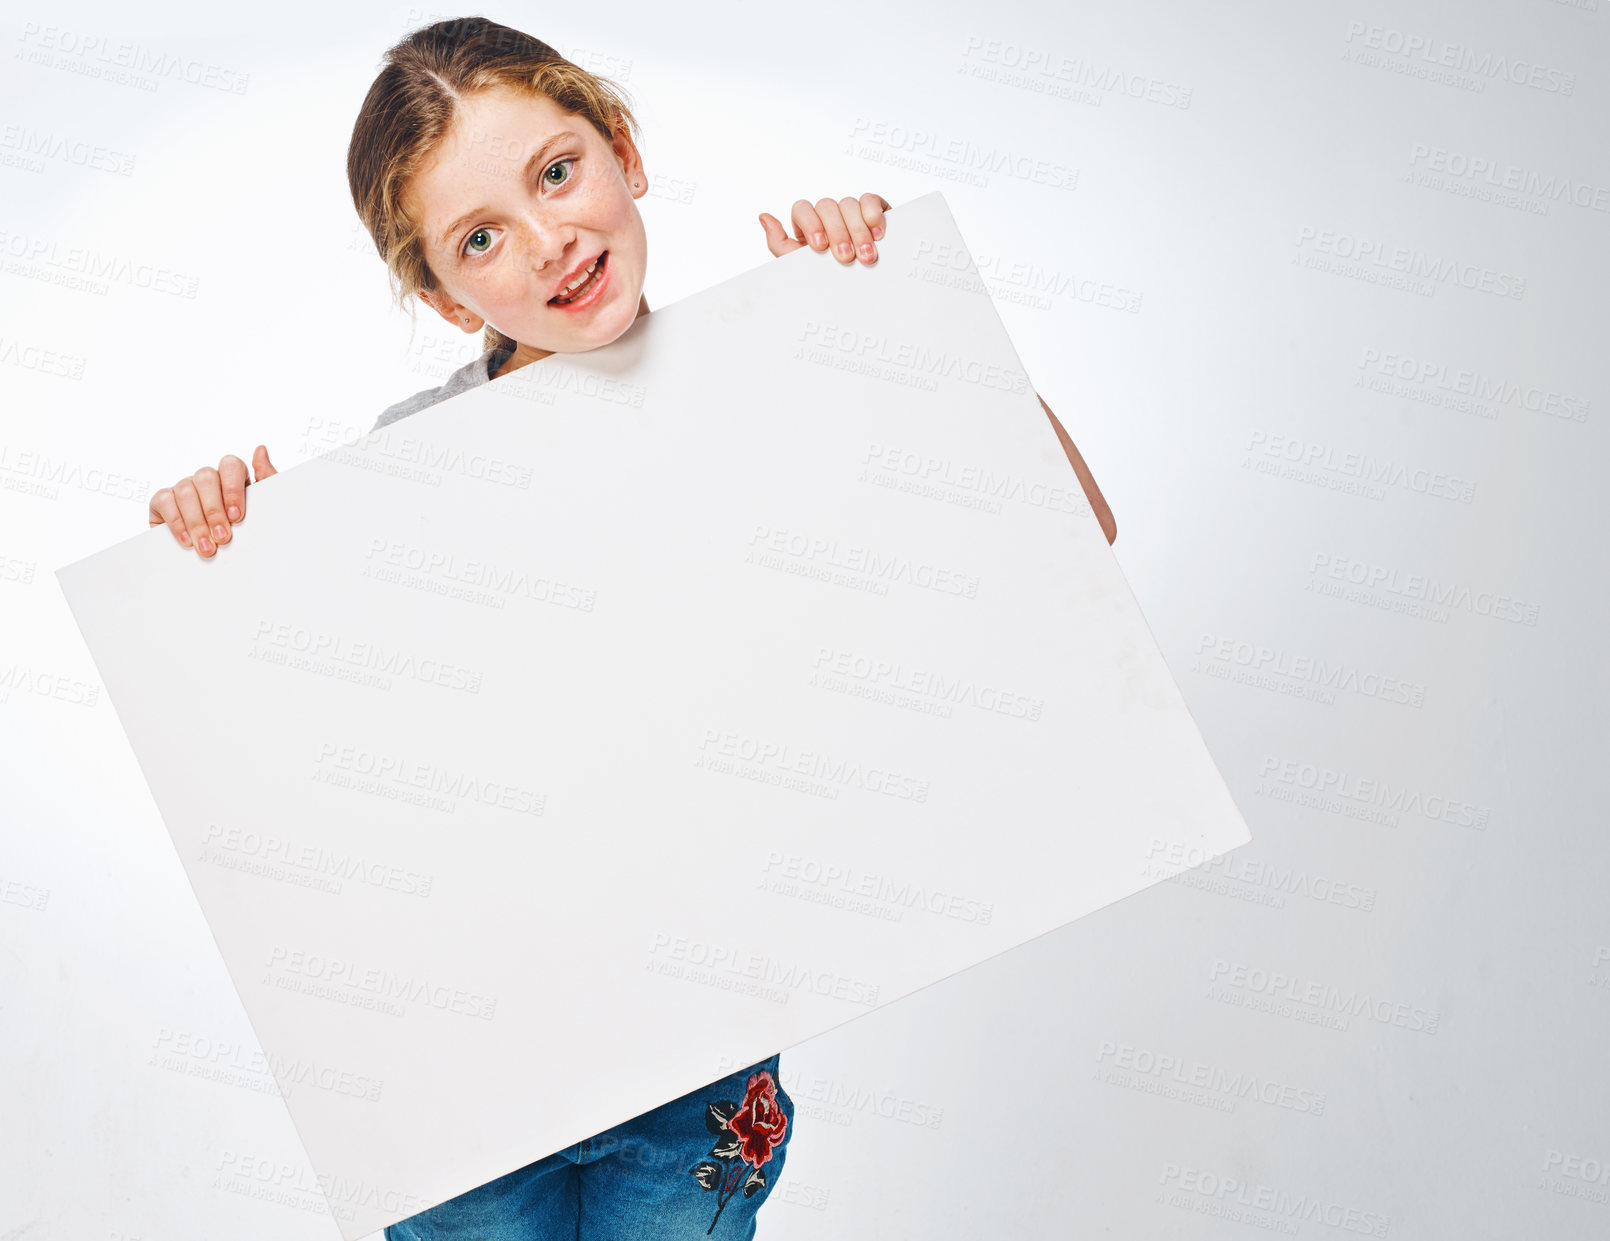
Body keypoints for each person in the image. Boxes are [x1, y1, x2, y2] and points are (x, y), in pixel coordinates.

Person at [144, 17, 1116, 1238]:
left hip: (691, 1066)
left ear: (623, 152)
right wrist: (217, 544)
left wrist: (916, 327)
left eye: (556, 172)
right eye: (479, 238)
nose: (547, 241)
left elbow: (1070, 530)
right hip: (461, 1089)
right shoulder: (400, 478)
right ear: (446, 300)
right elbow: (319, 761)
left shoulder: (787, 383)